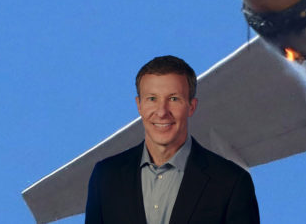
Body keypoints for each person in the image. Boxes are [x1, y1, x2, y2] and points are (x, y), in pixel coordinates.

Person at [85, 55, 259, 224]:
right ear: (139, 105)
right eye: (152, 99)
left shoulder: (231, 182)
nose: (162, 112)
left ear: (192, 106)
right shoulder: (106, 177)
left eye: (174, 99)